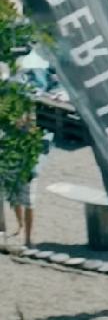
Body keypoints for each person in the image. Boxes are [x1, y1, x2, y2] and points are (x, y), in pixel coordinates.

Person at [0, 97, 40, 246]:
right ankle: (20, 225)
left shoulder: (29, 129)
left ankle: (28, 239)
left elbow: (33, 135)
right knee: (15, 198)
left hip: (27, 166)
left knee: (29, 202)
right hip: (11, 164)